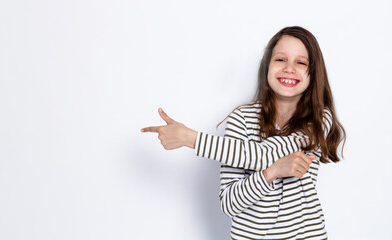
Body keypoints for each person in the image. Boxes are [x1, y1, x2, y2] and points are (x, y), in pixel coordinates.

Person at [141, 26, 345, 240]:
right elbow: (229, 204)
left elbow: (270, 153)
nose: (289, 68)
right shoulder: (241, 119)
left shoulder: (320, 119)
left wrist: (191, 138)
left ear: (314, 74)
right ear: (267, 65)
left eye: (301, 62)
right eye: (280, 59)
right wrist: (271, 173)